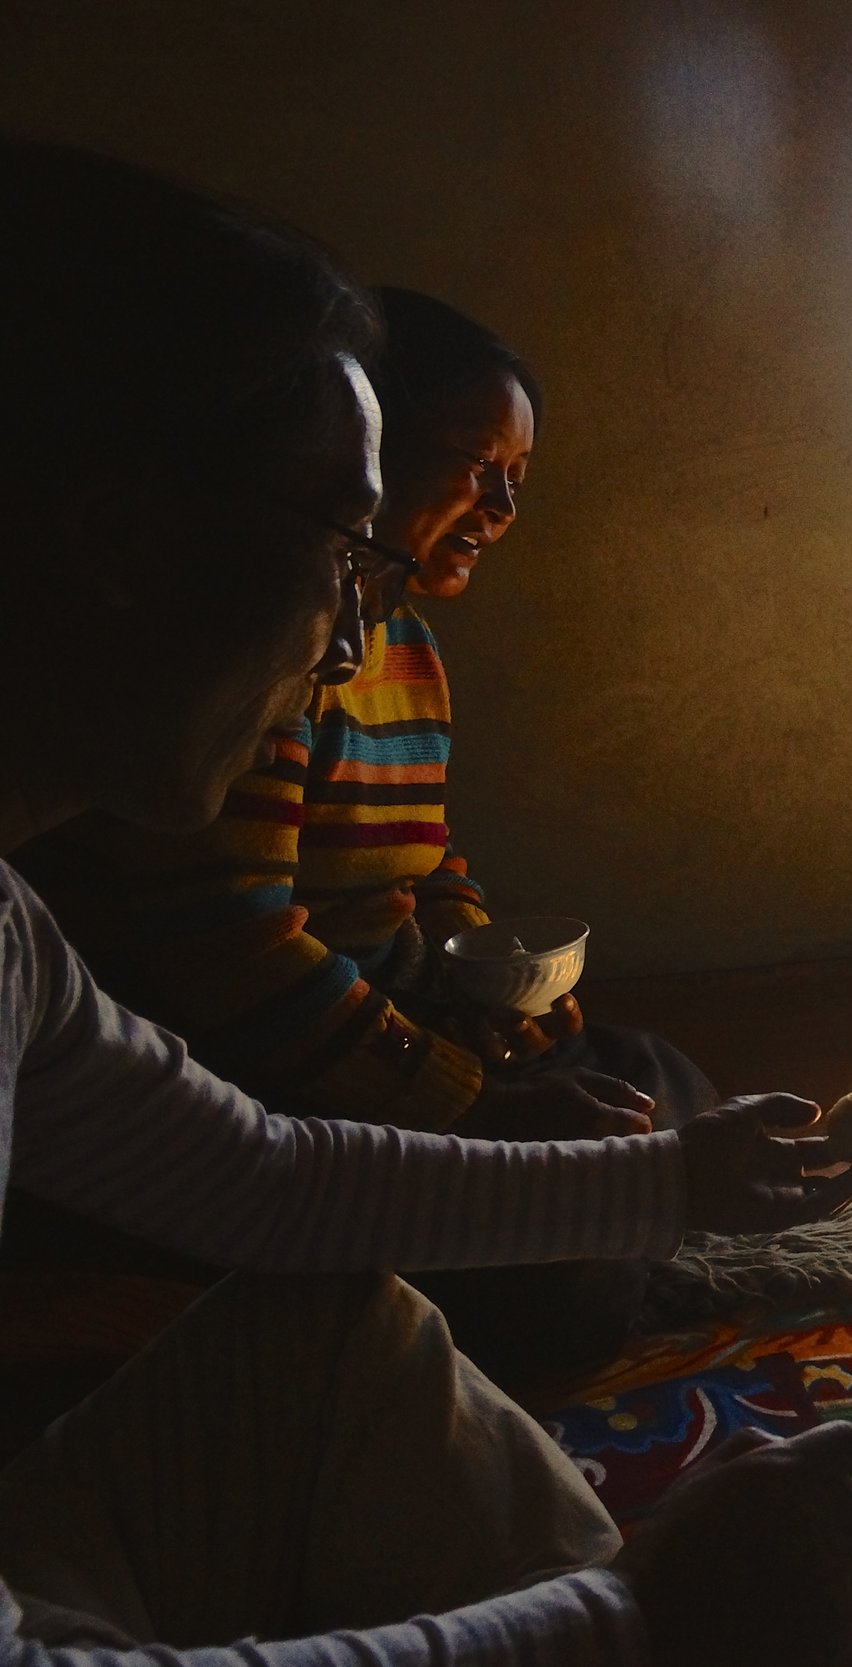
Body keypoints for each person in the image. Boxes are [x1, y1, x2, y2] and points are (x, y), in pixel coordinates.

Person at [0, 139, 852, 1664]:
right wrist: (641, 1610)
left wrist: (677, 1175)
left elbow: (270, 1183)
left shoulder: (9, 932)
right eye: (343, 551)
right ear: (120, 545)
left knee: (350, 1313)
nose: (350, 638)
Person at [14, 288, 725, 1388]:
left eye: (519, 482)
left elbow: (427, 863)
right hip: (263, 1060)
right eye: (470, 463)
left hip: (374, 1032)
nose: (348, 646)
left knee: (645, 1075)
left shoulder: (407, 653)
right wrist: (479, 1106)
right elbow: (235, 978)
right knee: (555, 1276)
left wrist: (497, 1006)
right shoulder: (250, 692)